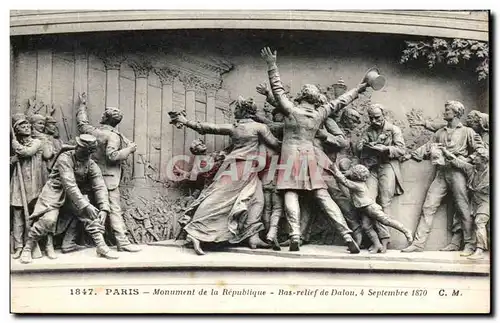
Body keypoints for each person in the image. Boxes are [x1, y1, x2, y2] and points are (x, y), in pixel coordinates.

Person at [261, 46, 367, 253]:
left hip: (290, 155)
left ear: (301, 96)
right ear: (315, 99)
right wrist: (361, 87)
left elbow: (278, 89)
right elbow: (341, 101)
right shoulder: (320, 113)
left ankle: (294, 235)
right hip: (309, 155)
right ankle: (346, 234)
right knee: (322, 195)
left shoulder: (291, 110)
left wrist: (272, 65)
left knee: (290, 192)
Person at [169, 96, 281, 255]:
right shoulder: (259, 128)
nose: (234, 111)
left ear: (243, 110)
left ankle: (253, 237)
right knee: (219, 199)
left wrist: (186, 121)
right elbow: (276, 144)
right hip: (243, 167)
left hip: (243, 168)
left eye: (236, 108)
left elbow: (210, 127)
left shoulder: (236, 127)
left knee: (256, 200)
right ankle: (195, 233)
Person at [401, 100, 485, 254]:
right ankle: (418, 244)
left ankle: (469, 244)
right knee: (428, 206)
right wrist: (409, 154)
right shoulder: (440, 132)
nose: (445, 112)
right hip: (441, 173)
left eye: (447, 110)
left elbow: (481, 150)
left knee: (463, 208)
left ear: (456, 112)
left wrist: (464, 161)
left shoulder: (468, 132)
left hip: (458, 173)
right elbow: (427, 147)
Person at [19, 134, 118, 264]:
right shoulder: (64, 158)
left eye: (84, 150)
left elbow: (99, 186)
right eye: (79, 147)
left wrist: (104, 207)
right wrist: (85, 204)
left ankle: (101, 246)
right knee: (48, 220)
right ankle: (28, 247)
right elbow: (69, 184)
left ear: (89, 152)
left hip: (74, 196)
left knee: (91, 215)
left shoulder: (91, 164)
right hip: (55, 192)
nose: (78, 150)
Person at [76, 93, 141, 252]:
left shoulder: (93, 132)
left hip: (91, 178)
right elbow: (112, 156)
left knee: (89, 209)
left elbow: (82, 123)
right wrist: (129, 150)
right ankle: (122, 242)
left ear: (107, 118)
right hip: (109, 180)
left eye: (104, 114)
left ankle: (86, 241)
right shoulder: (113, 136)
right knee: (114, 210)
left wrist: (82, 105)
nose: (102, 115)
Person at [355, 104, 406, 252]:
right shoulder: (368, 130)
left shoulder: (394, 129)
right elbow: (359, 148)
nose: (374, 120)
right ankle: (373, 240)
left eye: (377, 117)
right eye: (371, 118)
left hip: (387, 166)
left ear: (383, 115)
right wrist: (364, 145)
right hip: (372, 168)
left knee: (384, 202)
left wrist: (386, 149)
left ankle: (385, 240)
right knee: (367, 201)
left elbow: (401, 150)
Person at [331, 163, 413, 251]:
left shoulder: (358, 185)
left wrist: (335, 170)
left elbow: (344, 182)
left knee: (386, 221)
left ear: (355, 175)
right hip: (365, 209)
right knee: (366, 227)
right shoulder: (359, 183)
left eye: (353, 172)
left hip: (371, 208)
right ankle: (377, 244)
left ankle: (406, 231)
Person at [11, 115, 54, 259]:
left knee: (40, 214)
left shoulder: (36, 142)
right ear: (17, 130)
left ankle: (48, 245)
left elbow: (27, 152)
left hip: (35, 182)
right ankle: (19, 247)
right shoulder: (13, 146)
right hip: (18, 182)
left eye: (28, 126)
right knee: (18, 215)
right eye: (23, 126)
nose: (27, 128)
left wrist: (15, 145)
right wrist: (12, 160)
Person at [441, 147, 489, 260]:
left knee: (479, 222)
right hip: (474, 201)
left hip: (486, 201)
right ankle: (468, 246)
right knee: (467, 220)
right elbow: (459, 163)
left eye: (477, 156)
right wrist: (445, 152)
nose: (474, 157)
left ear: (483, 159)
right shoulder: (472, 168)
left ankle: (480, 250)